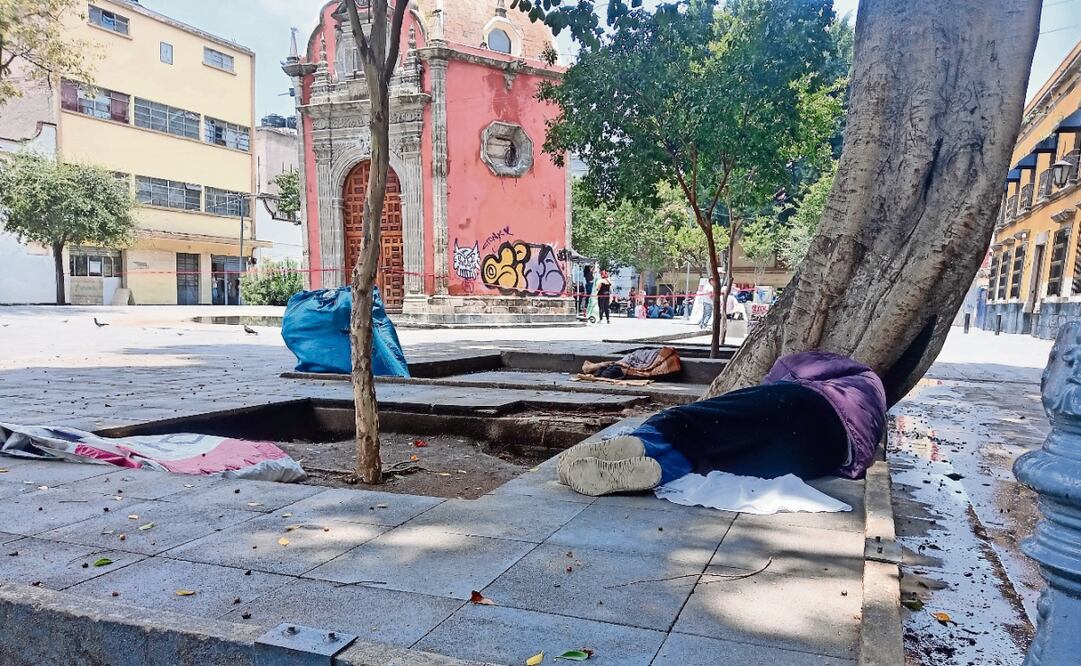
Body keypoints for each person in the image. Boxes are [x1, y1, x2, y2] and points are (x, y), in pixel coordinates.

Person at [557, 351, 887, 496]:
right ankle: (660, 468)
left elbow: (785, 369)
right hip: (827, 454)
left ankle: (645, 441)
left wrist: (774, 383)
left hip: (804, 404)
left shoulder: (828, 373)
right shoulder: (871, 400)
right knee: (731, 458)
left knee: (702, 421)